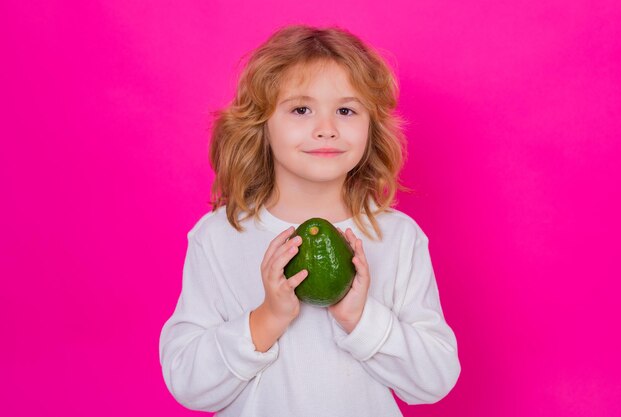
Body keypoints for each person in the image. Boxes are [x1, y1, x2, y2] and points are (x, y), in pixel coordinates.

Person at [159, 24, 461, 417]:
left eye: (346, 110)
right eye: (301, 109)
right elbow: (188, 384)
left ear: (371, 127)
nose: (326, 129)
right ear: (261, 125)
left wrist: (359, 317)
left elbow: (434, 380)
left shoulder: (398, 238)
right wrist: (268, 318)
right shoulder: (218, 236)